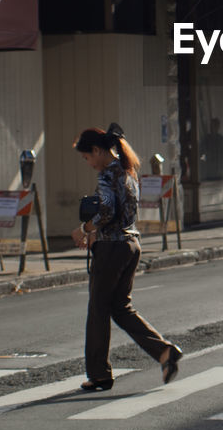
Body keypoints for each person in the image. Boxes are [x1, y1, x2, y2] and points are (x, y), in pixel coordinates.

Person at [70, 125, 182, 392]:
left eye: (87, 157)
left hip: (111, 248)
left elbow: (107, 211)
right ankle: (164, 352)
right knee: (120, 308)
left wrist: (85, 228)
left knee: (98, 310)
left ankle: (99, 374)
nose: (89, 163)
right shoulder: (128, 170)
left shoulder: (107, 175)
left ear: (97, 150)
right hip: (131, 244)